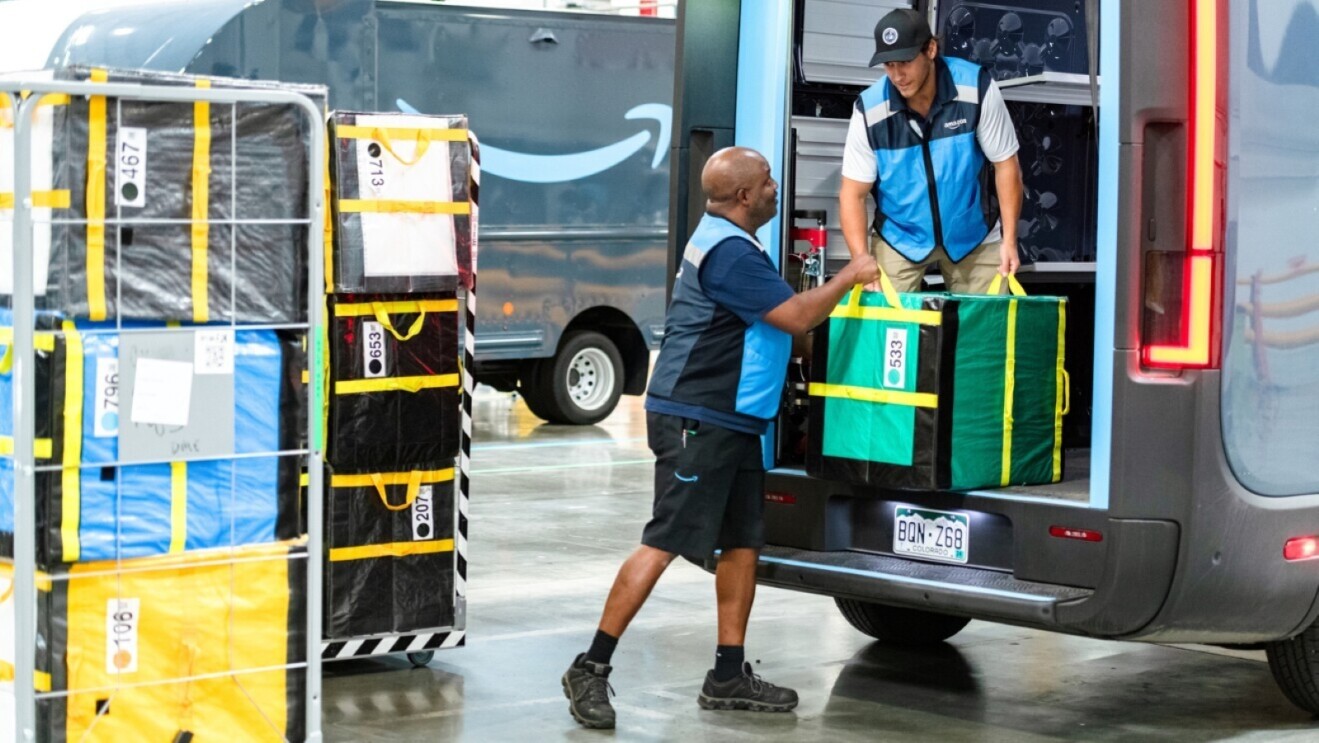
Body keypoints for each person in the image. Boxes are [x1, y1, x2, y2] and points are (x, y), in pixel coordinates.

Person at [561, 147, 880, 730]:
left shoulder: (734, 242)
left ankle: (727, 674)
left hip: (733, 420)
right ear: (742, 197)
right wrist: (851, 275)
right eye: (766, 182)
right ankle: (591, 667)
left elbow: (789, 333)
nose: (775, 187)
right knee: (664, 539)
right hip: (696, 419)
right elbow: (796, 319)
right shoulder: (730, 254)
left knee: (741, 542)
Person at [840, 7, 1024, 294]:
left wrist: (1009, 240)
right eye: (888, 65)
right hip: (900, 237)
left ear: (931, 49)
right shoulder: (869, 110)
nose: (897, 75)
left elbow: (1006, 164)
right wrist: (861, 258)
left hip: (973, 233)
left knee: (984, 332)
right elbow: (853, 193)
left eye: (905, 62)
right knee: (887, 332)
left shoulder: (975, 87)